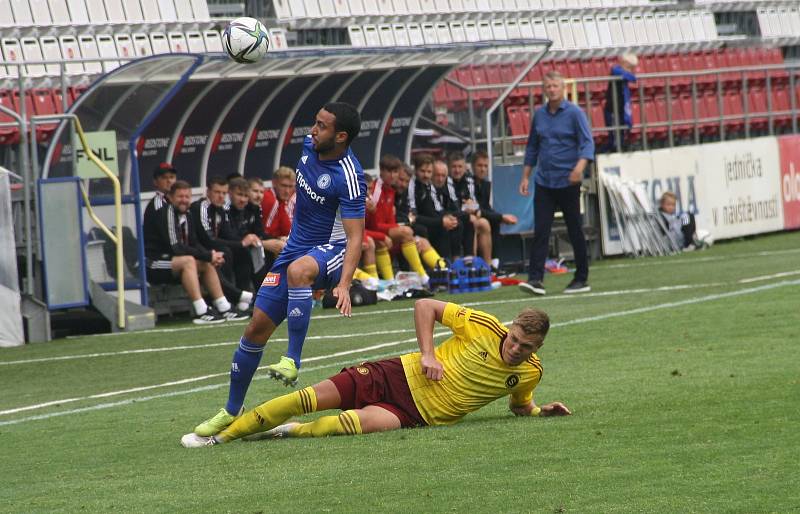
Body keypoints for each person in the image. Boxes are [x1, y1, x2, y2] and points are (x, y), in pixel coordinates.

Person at [192, 102, 366, 437]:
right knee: (255, 328)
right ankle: (231, 410)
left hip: (333, 250)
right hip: (295, 250)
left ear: (341, 136)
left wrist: (344, 283)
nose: (312, 130)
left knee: (301, 271)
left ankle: (292, 361)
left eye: (322, 126)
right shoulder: (308, 146)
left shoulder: (350, 175)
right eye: (314, 123)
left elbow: (357, 237)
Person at [181, 298, 571, 447]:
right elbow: (424, 306)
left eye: (527, 347)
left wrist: (540, 411)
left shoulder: (530, 374)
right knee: (309, 398)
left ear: (538, 349)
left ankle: (283, 431)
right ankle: (221, 437)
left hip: (415, 414)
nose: (516, 349)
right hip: (395, 374)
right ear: (511, 328)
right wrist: (428, 354)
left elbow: (520, 406)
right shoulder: (483, 325)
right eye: (516, 339)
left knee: (344, 424)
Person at [518, 70, 595, 296]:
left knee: (574, 230)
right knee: (541, 229)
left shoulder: (574, 113)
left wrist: (579, 169)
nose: (551, 90)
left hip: (568, 181)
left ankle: (581, 277)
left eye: (555, 86)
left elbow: (587, 144)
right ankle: (535, 279)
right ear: (544, 89)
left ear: (563, 88)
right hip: (544, 181)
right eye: (548, 86)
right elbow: (532, 146)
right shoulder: (539, 115)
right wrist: (525, 176)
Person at [144, 181, 234, 324]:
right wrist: (207, 255)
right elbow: (176, 247)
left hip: (174, 262)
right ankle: (201, 311)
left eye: (187, 197)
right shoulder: (166, 212)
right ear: (171, 198)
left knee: (205, 262)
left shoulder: (188, 214)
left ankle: (224, 307)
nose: (184, 200)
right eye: (180, 196)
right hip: (154, 263)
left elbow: (194, 243)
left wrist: (210, 255)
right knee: (189, 261)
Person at [190, 176, 253, 318]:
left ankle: (241, 302)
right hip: (199, 250)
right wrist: (240, 243)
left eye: (223, 193)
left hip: (210, 250)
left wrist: (245, 242)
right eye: (217, 192)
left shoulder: (221, 209)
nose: (220, 196)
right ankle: (234, 297)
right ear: (208, 192)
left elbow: (228, 235)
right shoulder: (201, 207)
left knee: (241, 251)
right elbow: (207, 238)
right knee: (225, 252)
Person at [366, 154, 435, 283]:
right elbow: (373, 225)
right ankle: (419, 278)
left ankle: (441, 272)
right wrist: (395, 230)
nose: (393, 176)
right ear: (381, 171)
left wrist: (396, 228)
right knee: (406, 232)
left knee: (420, 240)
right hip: (371, 234)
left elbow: (390, 221)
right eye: (389, 172)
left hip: (381, 233)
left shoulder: (391, 191)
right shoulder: (376, 190)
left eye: (395, 172)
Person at [471, 150, 518, 271]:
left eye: (485, 166)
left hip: (480, 215)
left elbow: (486, 208)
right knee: (490, 220)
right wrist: (501, 217)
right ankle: (480, 266)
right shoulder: (468, 184)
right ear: (472, 167)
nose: (482, 169)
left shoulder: (486, 185)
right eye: (479, 166)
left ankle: (495, 264)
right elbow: (476, 209)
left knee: (495, 220)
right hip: (472, 218)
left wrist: (501, 217)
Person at [445, 151, 492, 262]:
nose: (457, 170)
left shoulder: (469, 180)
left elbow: (474, 203)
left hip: (465, 215)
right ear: (448, 167)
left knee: (483, 223)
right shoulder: (446, 181)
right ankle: (471, 264)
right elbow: (453, 205)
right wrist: (467, 208)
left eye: (460, 167)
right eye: (454, 167)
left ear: (465, 167)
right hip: (451, 216)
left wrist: (473, 208)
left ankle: (489, 265)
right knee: (472, 221)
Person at [602, 53, 638, 153]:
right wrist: (630, 75)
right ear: (624, 63)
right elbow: (632, 78)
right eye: (630, 67)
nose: (631, 70)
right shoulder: (616, 70)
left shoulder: (622, 73)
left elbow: (632, 78)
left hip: (620, 109)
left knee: (621, 135)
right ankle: (600, 154)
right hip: (612, 110)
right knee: (614, 138)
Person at [142, 162, 177, 247]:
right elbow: (168, 237)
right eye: (164, 178)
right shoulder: (158, 204)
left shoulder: (175, 202)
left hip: (173, 248)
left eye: (172, 177)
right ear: (155, 182)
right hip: (158, 253)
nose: (169, 181)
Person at [261, 166, 296, 239]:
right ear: (274, 183)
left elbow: (287, 230)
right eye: (284, 186)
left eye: (291, 186)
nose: (287, 191)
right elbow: (265, 232)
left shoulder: (281, 202)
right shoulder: (270, 199)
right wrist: (278, 239)